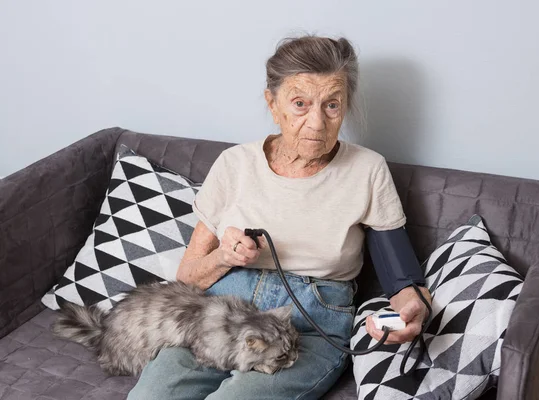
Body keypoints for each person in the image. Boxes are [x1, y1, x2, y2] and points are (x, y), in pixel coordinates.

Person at [128, 35, 431, 400]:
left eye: (332, 105)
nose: (317, 123)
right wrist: (224, 256)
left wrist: (413, 310)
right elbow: (187, 275)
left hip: (309, 324)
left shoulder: (367, 170)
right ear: (273, 104)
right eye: (300, 104)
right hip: (218, 320)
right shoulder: (235, 164)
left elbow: (402, 280)